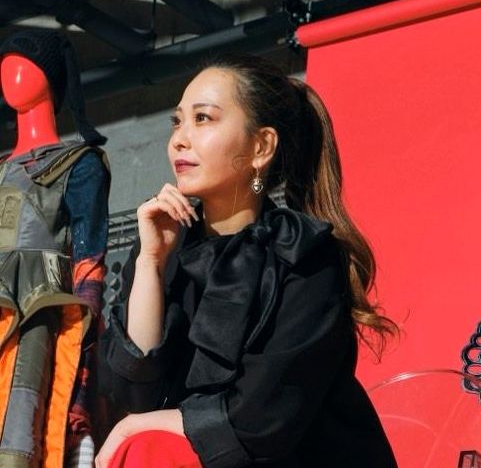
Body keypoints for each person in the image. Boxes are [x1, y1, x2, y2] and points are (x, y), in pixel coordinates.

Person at [96, 54, 398, 468]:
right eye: (177, 122)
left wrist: (137, 426)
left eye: (203, 119)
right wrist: (150, 262)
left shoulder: (302, 254)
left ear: (261, 147)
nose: (180, 139)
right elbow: (133, 392)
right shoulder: (165, 244)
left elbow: (261, 417)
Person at [0, 30, 110, 468]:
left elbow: (89, 270)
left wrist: (83, 388)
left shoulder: (80, 165)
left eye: (22, 61)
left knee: (22, 433)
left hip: (36, 323)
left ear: (51, 75)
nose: (9, 71)